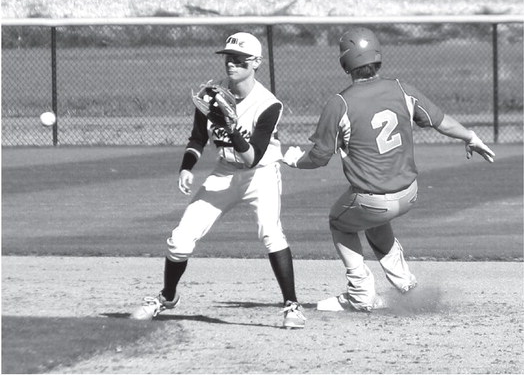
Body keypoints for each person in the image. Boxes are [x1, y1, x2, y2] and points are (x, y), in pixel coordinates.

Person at [282, 27, 495, 312]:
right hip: (409, 194)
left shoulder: (340, 103)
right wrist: (471, 137)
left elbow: (319, 157)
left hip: (372, 199)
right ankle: (406, 284)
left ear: (345, 62)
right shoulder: (401, 89)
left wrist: (294, 159)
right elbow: (440, 121)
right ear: (377, 56)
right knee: (373, 222)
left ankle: (360, 294)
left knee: (339, 222)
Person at [131, 32, 306, 328]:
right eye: (228, 57)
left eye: (239, 59)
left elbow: (252, 157)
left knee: (270, 233)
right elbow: (198, 139)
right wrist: (186, 167)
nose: (231, 63)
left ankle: (292, 306)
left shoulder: (268, 105)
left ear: (256, 63)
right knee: (179, 240)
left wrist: (229, 125)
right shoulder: (212, 96)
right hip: (223, 173)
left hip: (259, 175)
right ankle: (167, 297)